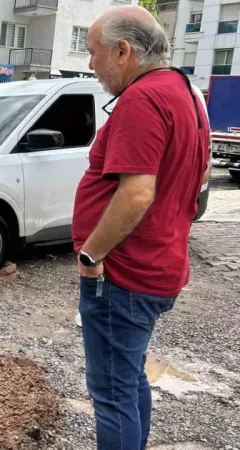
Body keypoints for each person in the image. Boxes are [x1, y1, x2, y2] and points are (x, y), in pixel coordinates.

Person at [72, 5, 211, 450]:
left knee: (111, 394)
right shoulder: (183, 91)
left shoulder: (142, 99)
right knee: (128, 380)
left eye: (93, 52)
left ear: (123, 51)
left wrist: (91, 255)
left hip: (123, 275)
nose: (90, 64)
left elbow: (136, 194)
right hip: (157, 266)